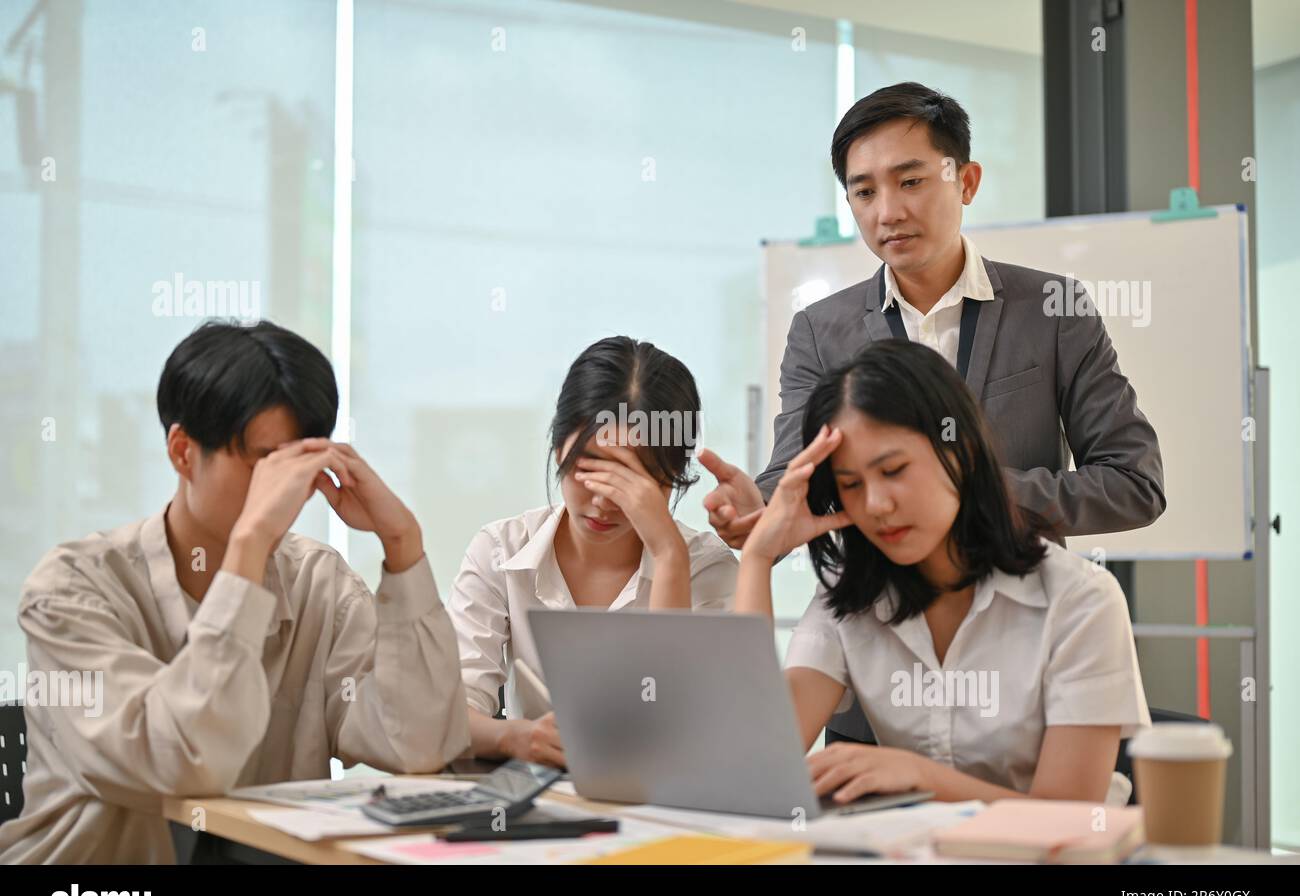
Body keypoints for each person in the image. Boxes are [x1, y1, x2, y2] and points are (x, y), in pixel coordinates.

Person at [0, 320, 470, 863]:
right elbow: (184, 762)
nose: (283, 489)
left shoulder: (317, 581)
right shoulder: (72, 588)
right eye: (261, 460)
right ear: (182, 451)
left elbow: (419, 746)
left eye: (297, 463)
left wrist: (402, 544)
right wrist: (248, 550)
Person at [702, 81, 1164, 548]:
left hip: (1024, 604)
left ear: (966, 182)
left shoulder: (1054, 308)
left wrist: (970, 490)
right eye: (864, 193)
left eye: (911, 182)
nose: (888, 212)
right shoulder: (820, 332)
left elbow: (1133, 484)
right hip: (878, 608)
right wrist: (757, 511)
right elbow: (796, 476)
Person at [734, 340, 1150, 804]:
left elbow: (1067, 816)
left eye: (893, 470)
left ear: (962, 452)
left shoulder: (1081, 600)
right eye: (851, 484)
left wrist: (919, 776)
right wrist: (756, 558)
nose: (876, 505)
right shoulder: (851, 597)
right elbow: (760, 758)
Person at [450, 337, 738, 768]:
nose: (604, 500)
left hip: (664, 811)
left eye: (634, 477)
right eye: (591, 467)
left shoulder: (707, 567)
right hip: (540, 802)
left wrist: (669, 556)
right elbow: (451, 712)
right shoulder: (501, 550)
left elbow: (687, 733)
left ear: (673, 475)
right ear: (558, 441)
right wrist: (516, 736)